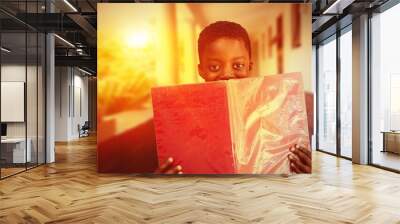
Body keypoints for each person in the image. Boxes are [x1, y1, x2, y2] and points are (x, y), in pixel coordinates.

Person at [158, 21, 311, 174]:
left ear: (249, 67)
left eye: (237, 65)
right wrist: (159, 182)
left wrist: (308, 170)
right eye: (214, 67)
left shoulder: (274, 108)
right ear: (201, 70)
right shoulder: (180, 117)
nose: (227, 75)